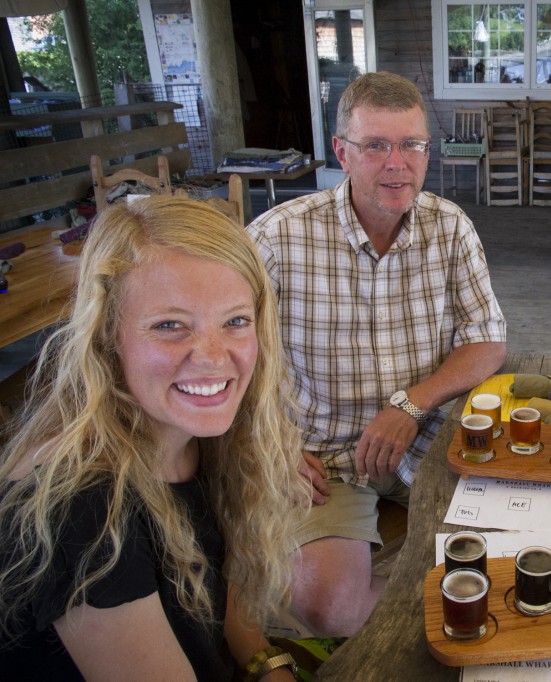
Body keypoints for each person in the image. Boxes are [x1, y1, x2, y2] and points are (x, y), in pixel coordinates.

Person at [0, 197, 308, 681]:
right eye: (169, 325)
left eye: (235, 321)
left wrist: (272, 668)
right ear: (106, 337)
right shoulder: (83, 506)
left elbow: (234, 619)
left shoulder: (193, 436)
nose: (211, 357)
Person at [246, 71, 507, 638]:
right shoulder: (276, 238)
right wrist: (265, 445)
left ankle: (470, 617)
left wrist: (411, 404)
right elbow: (226, 361)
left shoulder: (450, 226)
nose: (397, 162)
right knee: (329, 608)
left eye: (412, 144)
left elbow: (487, 338)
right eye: (376, 145)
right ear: (342, 151)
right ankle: (465, 620)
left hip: (430, 435)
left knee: (523, 540)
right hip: (324, 456)